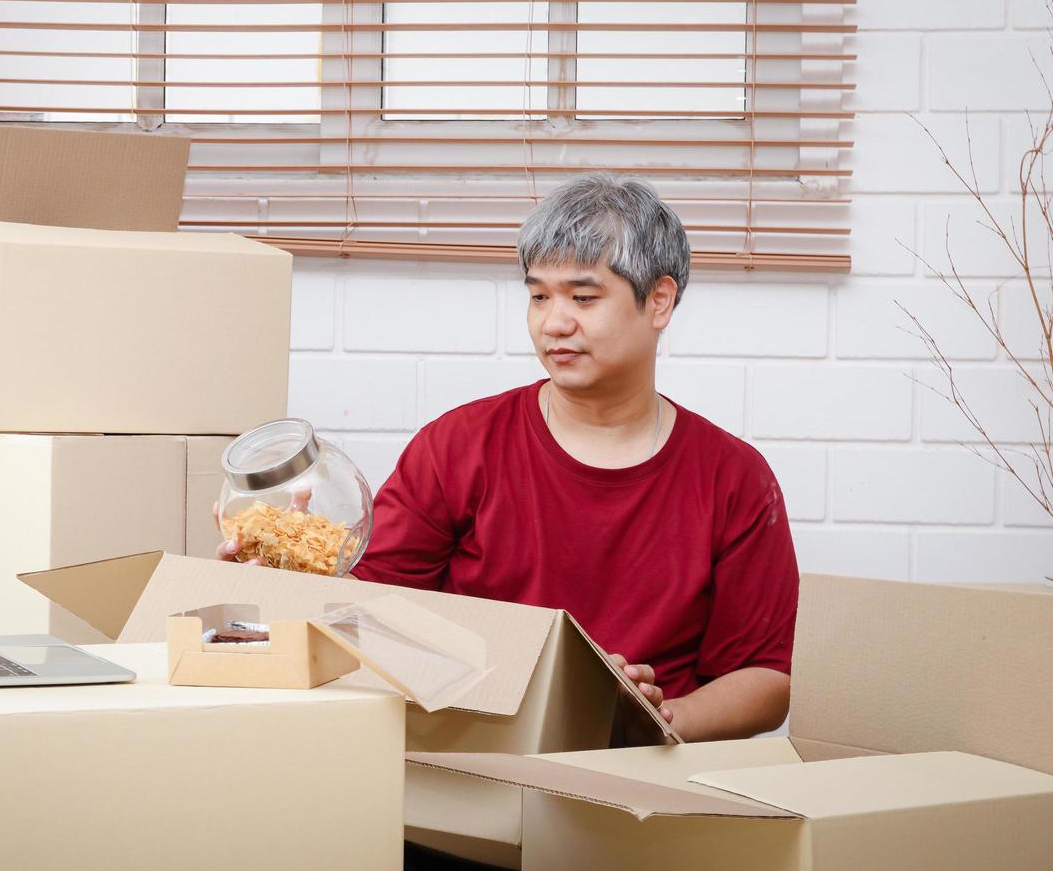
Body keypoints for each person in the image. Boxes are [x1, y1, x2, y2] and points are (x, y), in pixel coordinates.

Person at [222, 172, 797, 744]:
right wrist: (285, 578)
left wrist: (653, 721)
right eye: (539, 295)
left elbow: (764, 680)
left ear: (660, 301)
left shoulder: (735, 479)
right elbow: (365, 609)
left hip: (640, 776)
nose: (554, 322)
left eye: (584, 297)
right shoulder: (459, 447)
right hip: (474, 746)